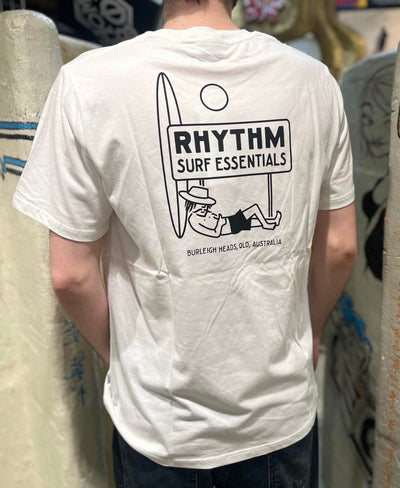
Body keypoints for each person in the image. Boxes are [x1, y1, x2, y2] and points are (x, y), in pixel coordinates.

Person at [13, 0, 357, 486]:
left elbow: (71, 275)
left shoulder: (89, 82)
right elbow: (340, 248)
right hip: (278, 414)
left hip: (161, 421)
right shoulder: (313, 81)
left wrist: (126, 359)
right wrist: (309, 332)